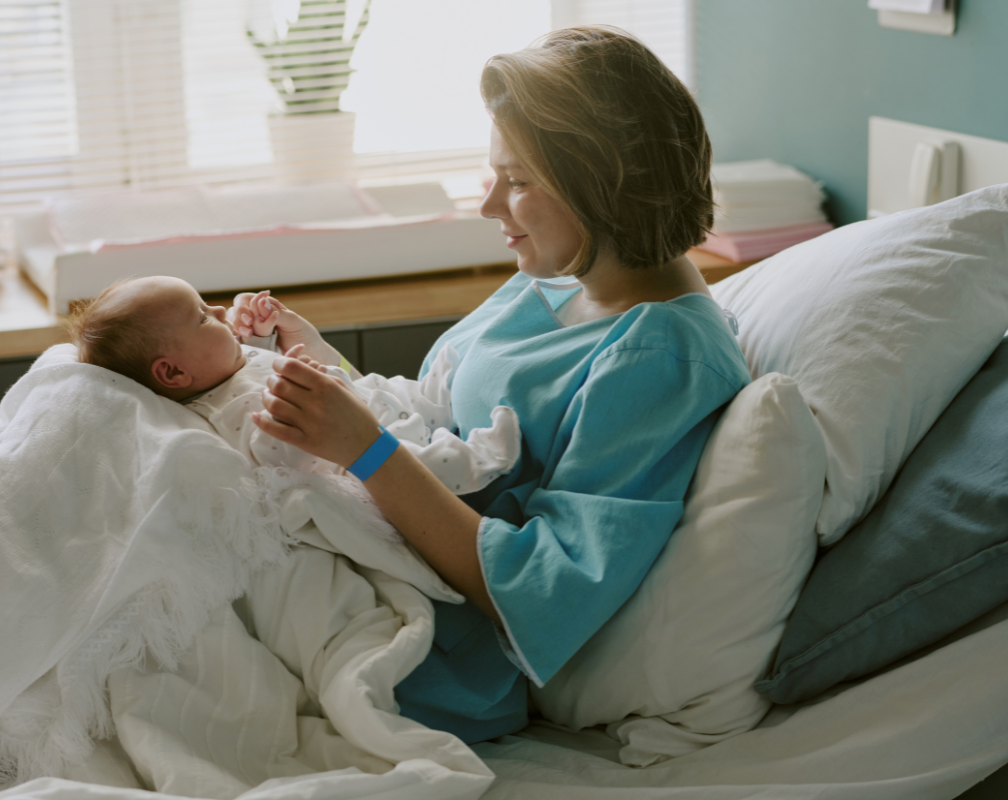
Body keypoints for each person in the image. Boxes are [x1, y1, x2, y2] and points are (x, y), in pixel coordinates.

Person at [232, 25, 752, 744]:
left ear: (602, 183)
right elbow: (436, 432)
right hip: (360, 543)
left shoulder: (661, 358)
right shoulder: (559, 278)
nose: (488, 207)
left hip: (419, 638)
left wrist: (364, 447)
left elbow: (546, 591)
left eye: (516, 182)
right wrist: (317, 365)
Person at [65, 275, 520, 493]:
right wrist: (298, 395)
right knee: (416, 458)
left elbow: (255, 366)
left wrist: (264, 338)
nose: (222, 312)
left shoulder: (221, 372)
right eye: (204, 316)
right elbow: (295, 451)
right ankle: (477, 460)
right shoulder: (237, 415)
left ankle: (439, 397)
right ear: (174, 374)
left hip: (371, 403)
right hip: (375, 456)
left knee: (403, 392)